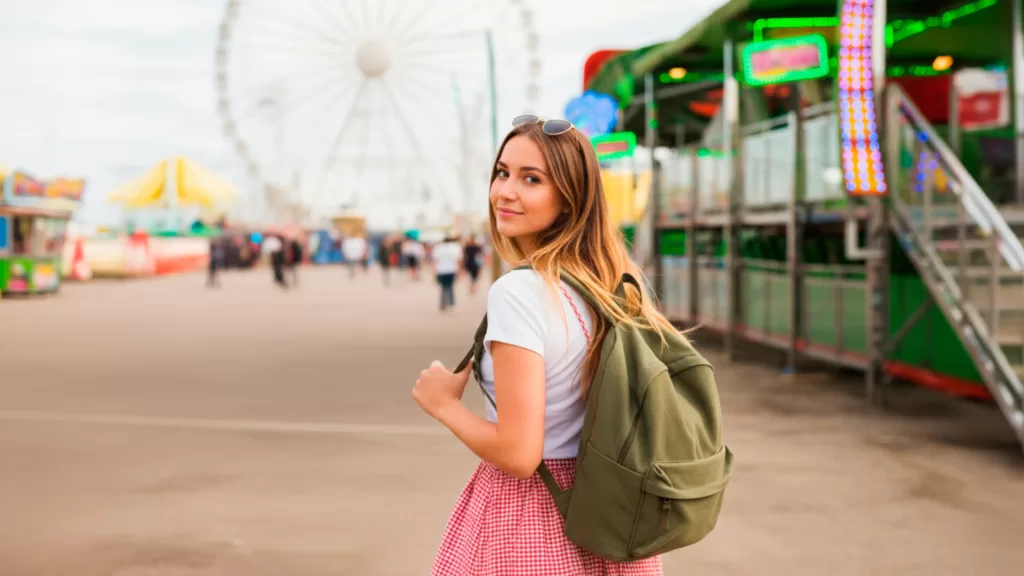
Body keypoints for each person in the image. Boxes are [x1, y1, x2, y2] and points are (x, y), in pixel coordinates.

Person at [412, 116, 670, 575]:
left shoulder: (521, 294)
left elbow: (518, 453)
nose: (505, 191)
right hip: (608, 511)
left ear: (570, 200)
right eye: (502, 172)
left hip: (535, 515)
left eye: (531, 179)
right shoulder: (612, 286)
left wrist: (444, 405)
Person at [432, 234, 463, 313]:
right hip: (451, 270)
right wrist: (459, 271)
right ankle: (451, 304)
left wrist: (434, 271)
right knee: (450, 287)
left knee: (443, 288)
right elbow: (458, 260)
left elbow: (435, 261)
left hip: (441, 270)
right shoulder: (454, 248)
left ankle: (443, 304)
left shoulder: (438, 248)